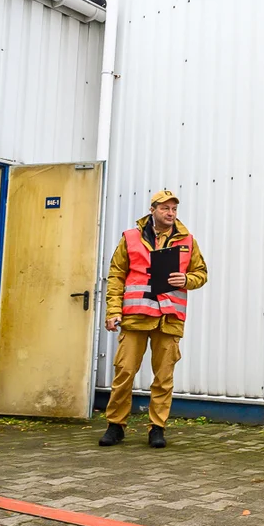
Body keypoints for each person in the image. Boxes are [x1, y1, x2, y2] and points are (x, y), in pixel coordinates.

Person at [100, 190, 208, 449]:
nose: (170, 214)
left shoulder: (187, 241)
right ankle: (116, 425)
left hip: (168, 318)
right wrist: (113, 311)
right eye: (165, 209)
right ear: (153, 210)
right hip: (136, 317)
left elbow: (201, 273)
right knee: (124, 371)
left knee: (163, 376)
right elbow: (116, 276)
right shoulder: (130, 238)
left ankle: (157, 428)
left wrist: (187, 280)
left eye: (174, 209)